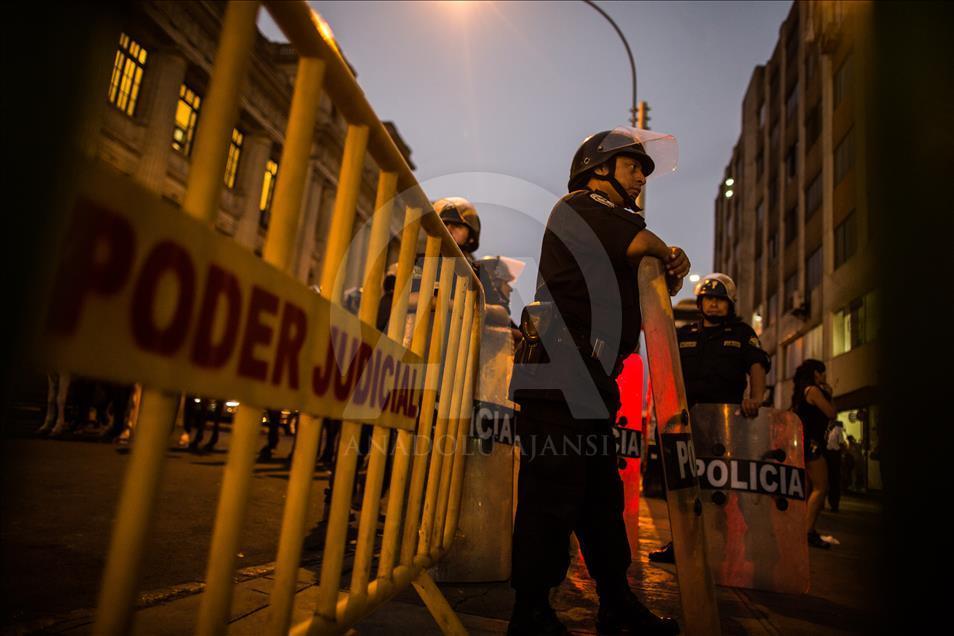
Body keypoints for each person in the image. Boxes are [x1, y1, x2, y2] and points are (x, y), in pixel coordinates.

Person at [508, 127, 684, 635]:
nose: (640, 179)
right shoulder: (581, 207)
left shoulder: (611, 222)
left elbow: (650, 268)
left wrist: (669, 264)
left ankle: (616, 602)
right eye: (634, 167)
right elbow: (646, 246)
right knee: (552, 493)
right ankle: (530, 614)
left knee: (599, 499)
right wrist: (667, 253)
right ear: (600, 168)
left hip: (589, 374)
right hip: (562, 368)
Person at [649, 272, 770, 564]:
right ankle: (680, 544)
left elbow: (757, 366)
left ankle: (725, 548)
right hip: (685, 424)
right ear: (701, 303)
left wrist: (756, 399)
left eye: (720, 300)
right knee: (682, 489)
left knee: (722, 490)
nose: (714, 305)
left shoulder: (742, 334)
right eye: (709, 299)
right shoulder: (685, 333)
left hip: (725, 426)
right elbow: (666, 367)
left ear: (730, 304)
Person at [792, 359, 837, 549]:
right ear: (816, 373)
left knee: (810, 488)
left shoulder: (803, 392)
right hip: (812, 444)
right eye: (823, 372)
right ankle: (807, 531)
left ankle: (804, 529)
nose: (825, 376)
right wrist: (830, 394)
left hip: (804, 443)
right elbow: (831, 412)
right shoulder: (814, 390)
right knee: (821, 487)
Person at [826, 420, 847, 512]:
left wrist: (842, 455)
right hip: (827, 454)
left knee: (835, 480)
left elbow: (842, 443)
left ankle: (834, 504)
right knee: (828, 479)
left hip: (835, 454)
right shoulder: (827, 430)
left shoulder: (838, 429)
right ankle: (827, 501)